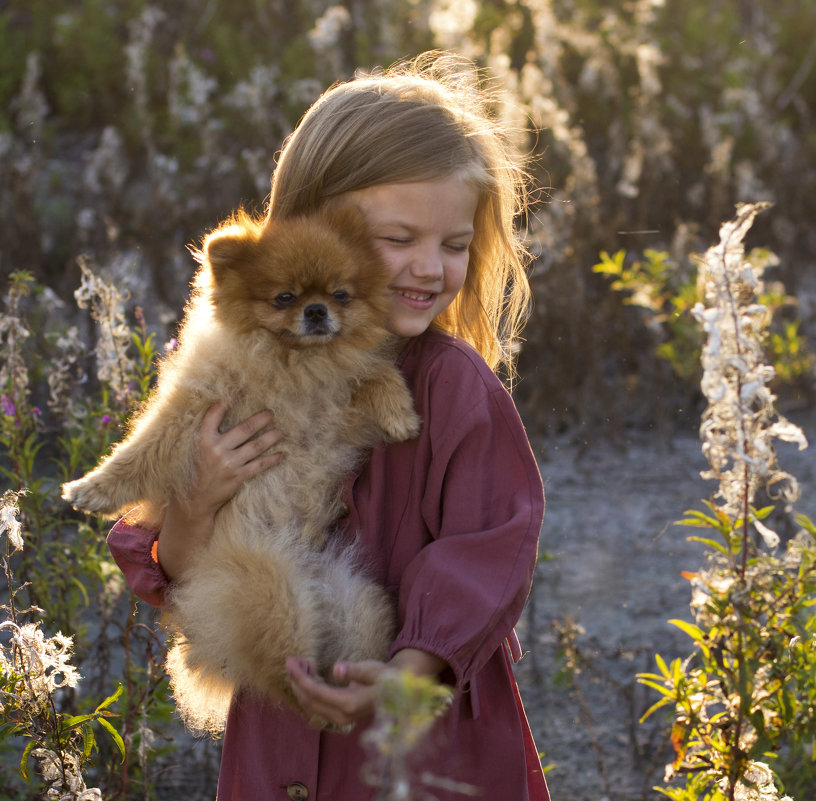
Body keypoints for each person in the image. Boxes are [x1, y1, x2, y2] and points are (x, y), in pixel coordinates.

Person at [107, 51, 550, 801]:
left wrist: (408, 678)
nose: (429, 268)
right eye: (398, 236)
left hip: (420, 738)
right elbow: (178, 568)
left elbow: (491, 543)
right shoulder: (239, 373)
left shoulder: (451, 385)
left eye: (453, 243)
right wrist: (196, 500)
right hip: (282, 727)